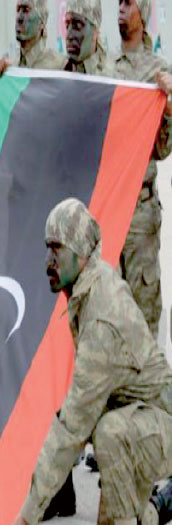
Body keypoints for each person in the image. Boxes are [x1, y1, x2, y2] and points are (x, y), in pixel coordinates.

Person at [15, 198, 172, 525]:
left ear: (80, 252)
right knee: (93, 422)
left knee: (108, 432)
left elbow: (73, 427)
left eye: (57, 248)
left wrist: (25, 517)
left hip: (159, 425)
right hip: (141, 416)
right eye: (47, 248)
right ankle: (150, 512)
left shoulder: (101, 316)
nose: (48, 261)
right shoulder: (91, 285)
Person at [114, 0, 172, 339]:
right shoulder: (105, 69)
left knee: (143, 312)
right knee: (109, 311)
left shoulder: (159, 71)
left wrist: (168, 106)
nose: (122, 9)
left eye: (129, 3)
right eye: (119, 3)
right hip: (108, 207)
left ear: (144, 12)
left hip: (140, 212)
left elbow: (162, 150)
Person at [0, 0, 66, 75]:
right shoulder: (10, 68)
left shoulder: (59, 66)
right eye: (18, 10)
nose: (19, 18)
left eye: (26, 10)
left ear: (42, 21)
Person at [62, 0, 113, 75]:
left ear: (95, 31)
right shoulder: (56, 72)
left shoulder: (112, 76)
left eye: (77, 26)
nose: (68, 36)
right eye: (67, 25)